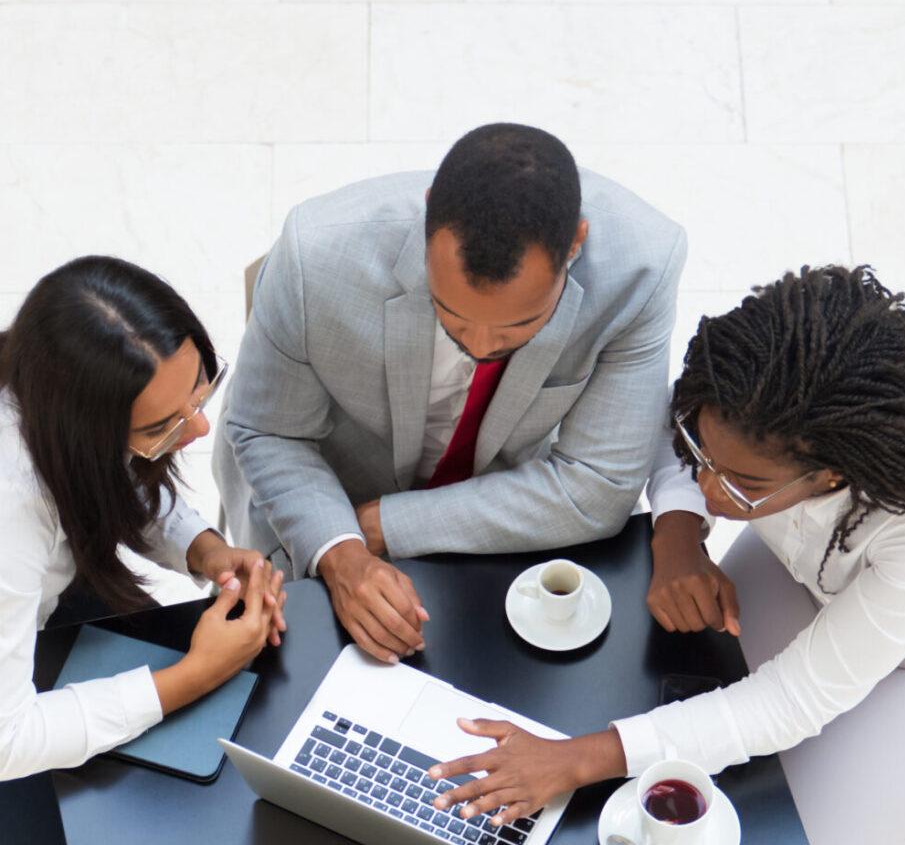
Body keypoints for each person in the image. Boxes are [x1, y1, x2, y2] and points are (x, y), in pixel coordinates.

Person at [426, 265, 905, 845]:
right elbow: (668, 426)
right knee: (647, 710)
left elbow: (794, 701)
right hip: (808, 581)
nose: (710, 489)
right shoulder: (749, 403)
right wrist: (677, 533)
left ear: (832, 477)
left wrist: (578, 760)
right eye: (703, 456)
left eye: (742, 484)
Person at [213, 122, 686, 667]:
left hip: (493, 511)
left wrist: (386, 525)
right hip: (318, 496)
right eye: (452, 316)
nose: (481, 347)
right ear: (428, 212)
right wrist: (339, 549)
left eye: (519, 327)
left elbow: (599, 485)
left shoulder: (644, 269)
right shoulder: (313, 255)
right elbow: (270, 430)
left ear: (575, 245)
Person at [0, 255, 287, 845]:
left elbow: (109, 473)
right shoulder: (9, 507)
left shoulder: (42, 390)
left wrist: (206, 549)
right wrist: (194, 675)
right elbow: (8, 739)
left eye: (201, 393)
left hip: (41, 621)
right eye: (164, 426)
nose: (200, 429)